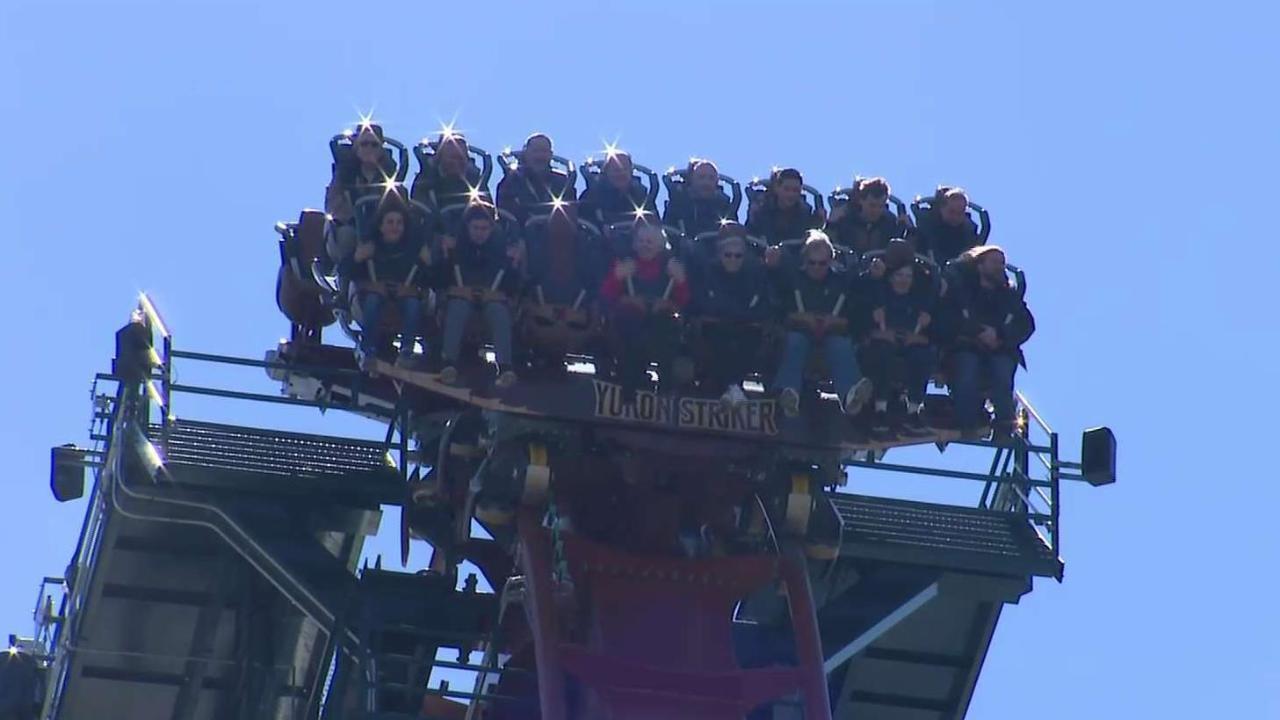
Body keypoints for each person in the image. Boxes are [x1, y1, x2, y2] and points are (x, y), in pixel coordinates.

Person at [766, 230, 872, 417]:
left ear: (831, 261)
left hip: (832, 333)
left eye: (822, 263)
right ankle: (788, 393)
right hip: (799, 331)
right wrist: (802, 318)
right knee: (795, 342)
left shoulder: (842, 282)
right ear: (804, 261)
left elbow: (856, 317)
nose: (816, 267)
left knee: (840, 346)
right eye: (812, 263)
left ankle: (850, 395)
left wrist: (837, 321)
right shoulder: (791, 280)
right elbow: (779, 311)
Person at [940, 245, 1034, 438]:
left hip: (999, 348)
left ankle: (1004, 427)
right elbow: (948, 317)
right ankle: (966, 422)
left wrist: (999, 336)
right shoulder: (962, 291)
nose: (1000, 267)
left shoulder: (1009, 296)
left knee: (1001, 376)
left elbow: (1026, 325)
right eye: (994, 262)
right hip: (966, 344)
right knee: (967, 371)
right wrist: (977, 332)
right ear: (980, 265)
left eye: (1002, 263)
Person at [433, 202, 522, 389]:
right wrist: (445, 256)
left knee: (499, 312)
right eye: (476, 228)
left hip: (490, 299)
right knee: (457, 308)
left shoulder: (500, 252)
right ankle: (448, 362)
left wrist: (513, 266)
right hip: (460, 297)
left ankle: (505, 367)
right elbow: (439, 280)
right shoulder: (456, 249)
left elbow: (512, 287)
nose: (480, 233)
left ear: (492, 229)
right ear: (467, 227)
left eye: (484, 228)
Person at [599, 221, 690, 397]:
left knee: (666, 329)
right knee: (630, 328)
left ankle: (665, 389)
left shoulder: (670, 267)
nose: (645, 245)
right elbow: (606, 295)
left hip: (660, 321)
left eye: (650, 242)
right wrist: (618, 279)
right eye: (641, 241)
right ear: (634, 243)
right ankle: (628, 390)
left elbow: (684, 300)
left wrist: (680, 283)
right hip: (631, 321)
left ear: (660, 246)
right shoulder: (626, 264)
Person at [860, 241, 938, 438]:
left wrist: (921, 336)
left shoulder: (920, 298)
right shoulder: (878, 294)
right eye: (899, 276)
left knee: (922, 356)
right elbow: (858, 318)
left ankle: (913, 410)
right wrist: (874, 332)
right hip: (881, 342)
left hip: (910, 342)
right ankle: (880, 408)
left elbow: (932, 329)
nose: (903, 280)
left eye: (908, 276)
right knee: (882, 353)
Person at [691, 223, 770, 408]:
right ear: (719, 254)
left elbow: (762, 306)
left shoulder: (755, 274)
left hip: (746, 327)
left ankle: (730, 389)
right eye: (728, 255)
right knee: (718, 336)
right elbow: (701, 303)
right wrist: (732, 313)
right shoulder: (707, 272)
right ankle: (733, 388)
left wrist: (733, 313)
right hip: (715, 327)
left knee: (749, 338)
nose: (733, 259)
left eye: (738, 255)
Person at [344, 199, 432, 366]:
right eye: (390, 222)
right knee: (372, 301)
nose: (395, 227)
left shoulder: (412, 250)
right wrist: (357, 257)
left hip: (404, 293)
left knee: (413, 305)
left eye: (399, 223)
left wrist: (427, 263)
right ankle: (369, 348)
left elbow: (429, 279)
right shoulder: (371, 247)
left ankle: (406, 351)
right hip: (374, 292)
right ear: (381, 226)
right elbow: (345, 271)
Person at [520, 207, 606, 369]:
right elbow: (528, 282)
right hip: (542, 310)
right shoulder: (538, 250)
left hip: (577, 313)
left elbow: (593, 285)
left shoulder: (585, 252)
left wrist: (591, 321)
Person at [325, 123, 397, 263]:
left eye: (374, 145)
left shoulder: (390, 177)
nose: (369, 149)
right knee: (348, 236)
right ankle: (346, 278)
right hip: (348, 228)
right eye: (364, 144)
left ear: (381, 149)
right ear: (356, 147)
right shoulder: (343, 176)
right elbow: (333, 206)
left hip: (383, 228)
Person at [495, 133, 577, 224]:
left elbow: (572, 211)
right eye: (536, 151)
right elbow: (505, 210)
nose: (540, 156)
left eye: (544, 151)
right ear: (526, 154)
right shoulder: (512, 180)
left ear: (550, 155)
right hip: (520, 232)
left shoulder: (562, 181)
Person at [824, 177, 911, 255]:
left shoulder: (890, 224)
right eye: (872, 205)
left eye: (880, 206)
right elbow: (826, 246)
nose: (876, 210)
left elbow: (903, 252)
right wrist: (831, 224)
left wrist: (910, 230)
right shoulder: (846, 220)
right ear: (861, 200)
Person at [412, 132, 491, 211]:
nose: (456, 163)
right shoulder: (426, 180)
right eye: (452, 158)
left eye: (460, 159)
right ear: (439, 158)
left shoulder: (476, 183)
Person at [578, 150, 656, 228]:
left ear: (631, 172)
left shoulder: (642, 197)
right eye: (616, 170)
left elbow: (655, 224)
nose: (621, 173)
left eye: (625, 169)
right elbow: (581, 223)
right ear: (606, 172)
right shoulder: (592, 195)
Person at [746, 167, 825, 244]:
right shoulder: (762, 208)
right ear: (777, 188)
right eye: (786, 189)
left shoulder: (805, 212)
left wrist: (821, 220)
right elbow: (750, 233)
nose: (791, 194)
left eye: (795, 190)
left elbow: (813, 233)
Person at [662, 158, 736, 239]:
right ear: (691, 180)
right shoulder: (678, 201)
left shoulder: (723, 206)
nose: (706, 182)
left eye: (711, 178)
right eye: (701, 177)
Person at [915, 186, 981, 264]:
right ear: (942, 208)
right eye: (951, 212)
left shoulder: (969, 231)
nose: (955, 217)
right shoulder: (927, 223)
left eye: (959, 213)